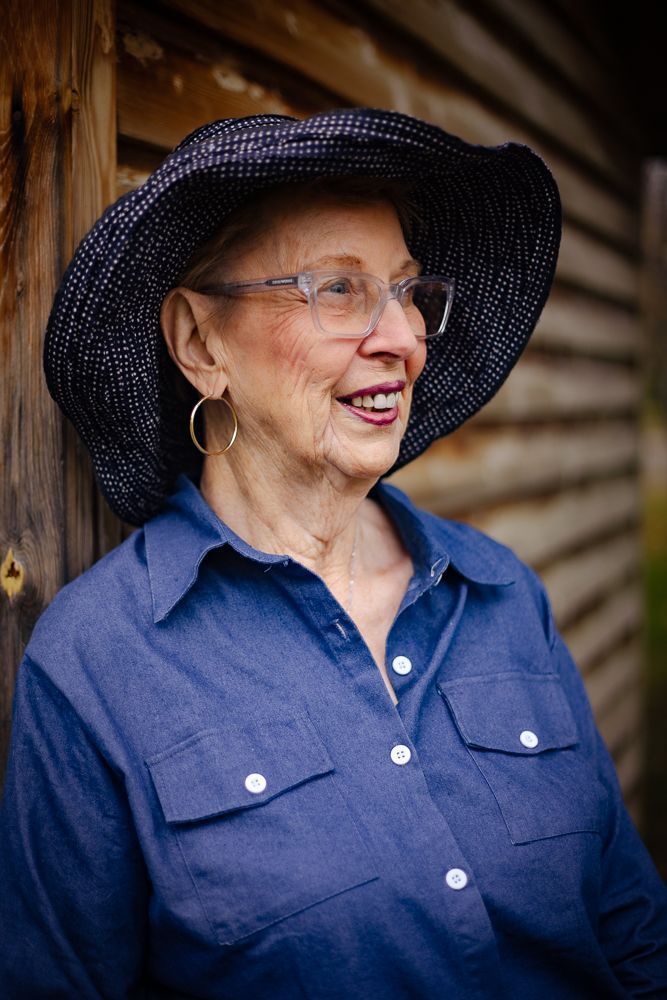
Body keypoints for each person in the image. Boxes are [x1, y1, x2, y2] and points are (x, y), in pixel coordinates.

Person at [0, 108, 665, 999]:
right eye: (339, 290)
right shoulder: (98, 661)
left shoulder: (500, 593)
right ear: (200, 344)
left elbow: (632, 936)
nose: (402, 339)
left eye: (407, 291)